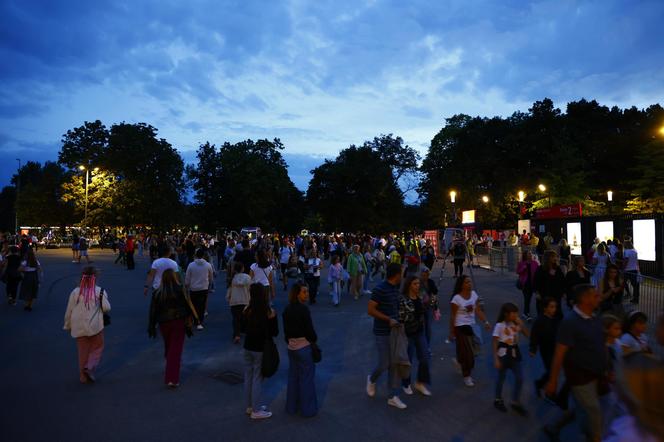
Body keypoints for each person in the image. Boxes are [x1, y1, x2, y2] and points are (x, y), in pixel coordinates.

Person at [545, 284, 608, 442]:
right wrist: (552, 381)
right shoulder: (570, 322)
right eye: (595, 295)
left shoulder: (594, 316)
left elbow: (601, 343)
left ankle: (553, 427)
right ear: (584, 299)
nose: (599, 298)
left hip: (596, 374)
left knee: (581, 407)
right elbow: (559, 354)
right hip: (580, 377)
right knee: (593, 410)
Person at [366, 263, 407, 409]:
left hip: (395, 331)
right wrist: (388, 319)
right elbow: (370, 310)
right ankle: (372, 378)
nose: (402, 275)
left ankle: (392, 396)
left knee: (394, 364)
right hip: (382, 332)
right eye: (401, 273)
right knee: (384, 363)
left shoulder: (396, 288)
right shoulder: (379, 289)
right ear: (396, 275)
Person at [148, 269, 196, 388]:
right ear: (175, 277)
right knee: (175, 350)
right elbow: (187, 305)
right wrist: (193, 319)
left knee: (169, 347)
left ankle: (172, 364)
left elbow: (153, 310)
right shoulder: (180, 290)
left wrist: (152, 325)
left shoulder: (158, 292)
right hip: (178, 321)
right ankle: (172, 377)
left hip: (164, 323)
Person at [63, 267, 111, 383]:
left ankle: (82, 376)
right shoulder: (99, 291)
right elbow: (107, 307)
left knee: (82, 351)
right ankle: (89, 367)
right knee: (97, 347)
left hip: (78, 325)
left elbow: (69, 310)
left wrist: (67, 325)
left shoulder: (75, 292)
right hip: (95, 325)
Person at [243, 283, 278, 419]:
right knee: (257, 377)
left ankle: (250, 406)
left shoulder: (247, 310)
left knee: (248, 376)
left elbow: (242, 327)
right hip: (260, 346)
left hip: (248, 345)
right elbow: (275, 332)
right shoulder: (268, 311)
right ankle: (256, 410)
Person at [283, 281, 318, 417]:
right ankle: (307, 409)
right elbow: (310, 331)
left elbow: (285, 331)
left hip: (291, 347)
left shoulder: (287, 309)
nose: (307, 294)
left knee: (293, 378)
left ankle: (291, 407)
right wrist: (313, 340)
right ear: (297, 294)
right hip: (304, 346)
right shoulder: (303, 310)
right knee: (306, 379)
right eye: (304, 292)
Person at [449, 275, 491, 387]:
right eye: (467, 282)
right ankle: (466, 376)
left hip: (472, 327)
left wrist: (486, 321)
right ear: (461, 284)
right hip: (460, 328)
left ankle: (459, 362)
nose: (470, 284)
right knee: (468, 354)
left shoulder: (473, 295)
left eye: (470, 282)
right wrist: (452, 332)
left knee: (473, 351)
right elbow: (453, 316)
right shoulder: (456, 299)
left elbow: (477, 310)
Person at [492, 302, 529, 415]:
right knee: (501, 378)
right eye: (513, 314)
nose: (515, 316)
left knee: (520, 378)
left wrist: (521, 325)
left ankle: (515, 401)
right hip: (503, 355)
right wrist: (496, 359)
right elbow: (494, 342)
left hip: (514, 354)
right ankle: (498, 399)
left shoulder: (516, 324)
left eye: (516, 313)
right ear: (506, 314)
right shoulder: (499, 326)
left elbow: (527, 335)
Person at [399, 275, 432, 397]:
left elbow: (426, 312)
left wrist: (429, 304)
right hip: (408, 334)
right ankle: (406, 383)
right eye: (414, 284)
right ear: (409, 285)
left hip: (420, 331)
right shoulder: (403, 299)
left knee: (424, 357)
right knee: (408, 360)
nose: (417, 286)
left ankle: (420, 382)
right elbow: (402, 318)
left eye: (418, 284)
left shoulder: (421, 296)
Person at [529, 298, 559, 398]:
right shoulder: (540, 321)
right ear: (545, 308)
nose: (554, 309)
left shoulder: (555, 319)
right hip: (546, 349)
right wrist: (533, 349)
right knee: (551, 371)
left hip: (555, 348)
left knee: (553, 370)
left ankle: (539, 384)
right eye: (551, 307)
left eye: (555, 307)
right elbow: (534, 335)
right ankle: (550, 394)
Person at [185, 248, 214, 330]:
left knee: (193, 304)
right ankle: (200, 322)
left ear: (196, 255)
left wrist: (186, 285)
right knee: (201, 305)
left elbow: (187, 277)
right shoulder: (208, 265)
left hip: (193, 288)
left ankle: (195, 319)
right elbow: (211, 276)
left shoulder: (191, 265)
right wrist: (209, 284)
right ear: (203, 255)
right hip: (204, 287)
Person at [533, 250, 566, 318]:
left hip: (556, 295)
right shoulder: (541, 269)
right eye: (553, 257)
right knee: (544, 314)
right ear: (548, 258)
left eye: (556, 256)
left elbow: (562, 280)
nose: (555, 258)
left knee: (557, 314)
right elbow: (536, 282)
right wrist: (537, 292)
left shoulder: (557, 268)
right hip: (544, 295)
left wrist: (563, 292)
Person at [227, 262, 250, 344]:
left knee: (236, 318)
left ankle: (237, 334)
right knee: (245, 317)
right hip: (245, 300)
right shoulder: (247, 277)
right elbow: (250, 288)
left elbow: (230, 289)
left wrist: (228, 298)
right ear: (242, 268)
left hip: (235, 300)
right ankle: (245, 331)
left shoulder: (232, 278)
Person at [419, 268, 440, 355]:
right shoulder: (418, 282)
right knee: (420, 327)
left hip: (429, 307)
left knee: (428, 327)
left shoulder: (430, 282)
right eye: (423, 275)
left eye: (426, 275)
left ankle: (427, 346)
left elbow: (435, 291)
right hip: (419, 307)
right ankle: (420, 345)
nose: (424, 277)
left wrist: (432, 292)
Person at [516, 250, 539, 321]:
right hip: (525, 284)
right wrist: (523, 269)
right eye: (529, 254)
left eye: (531, 253)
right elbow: (517, 272)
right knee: (527, 299)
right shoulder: (521, 263)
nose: (530, 255)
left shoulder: (535, 263)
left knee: (535, 298)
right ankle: (526, 313)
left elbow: (538, 271)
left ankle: (527, 313)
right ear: (525, 255)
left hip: (533, 284)